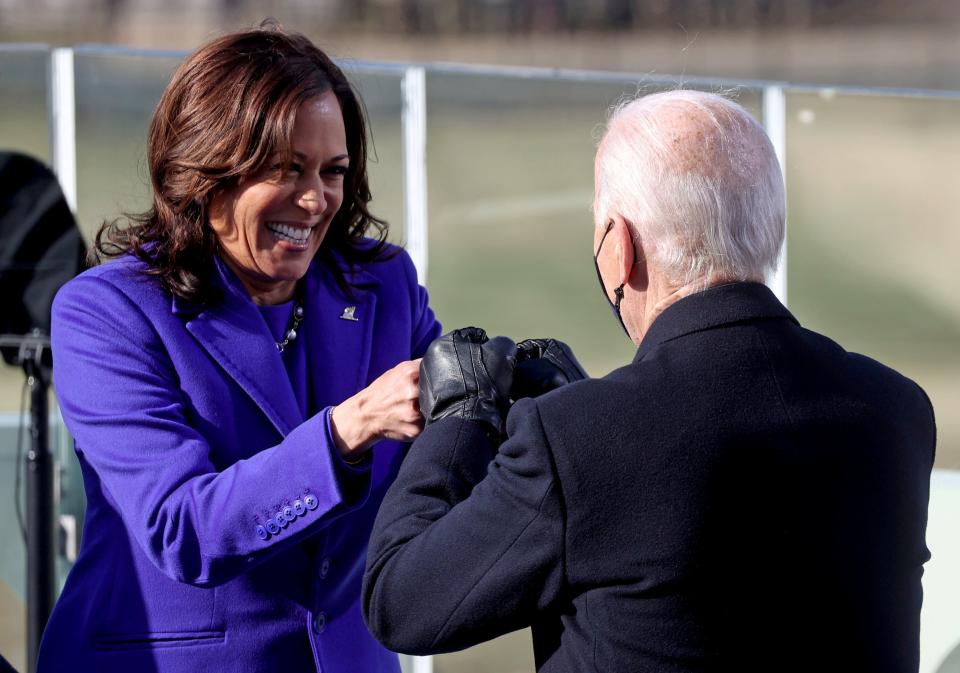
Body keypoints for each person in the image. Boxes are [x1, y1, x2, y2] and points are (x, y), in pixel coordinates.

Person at [362, 90, 936, 672]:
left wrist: (460, 419)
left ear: (619, 248)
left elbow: (401, 603)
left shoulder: (576, 441)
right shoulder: (896, 411)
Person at [38, 24, 439, 673]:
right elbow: (181, 529)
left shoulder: (383, 286)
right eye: (286, 169)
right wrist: (344, 432)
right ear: (206, 169)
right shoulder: (105, 312)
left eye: (332, 171)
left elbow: (447, 461)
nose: (315, 200)